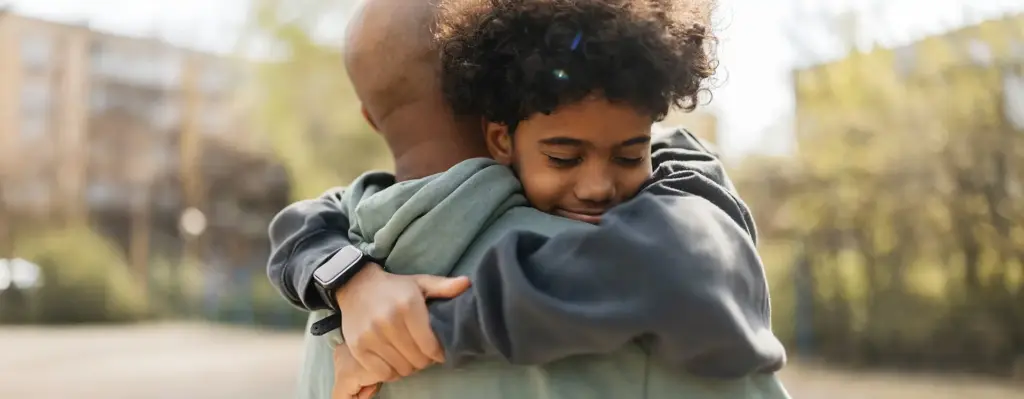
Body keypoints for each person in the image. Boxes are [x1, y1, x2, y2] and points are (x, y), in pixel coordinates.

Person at [267, 0, 788, 398]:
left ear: (369, 115)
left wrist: (348, 280)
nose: (598, 186)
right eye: (564, 156)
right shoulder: (650, 288)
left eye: (631, 153)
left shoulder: (328, 315)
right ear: (501, 116)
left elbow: (303, 223)